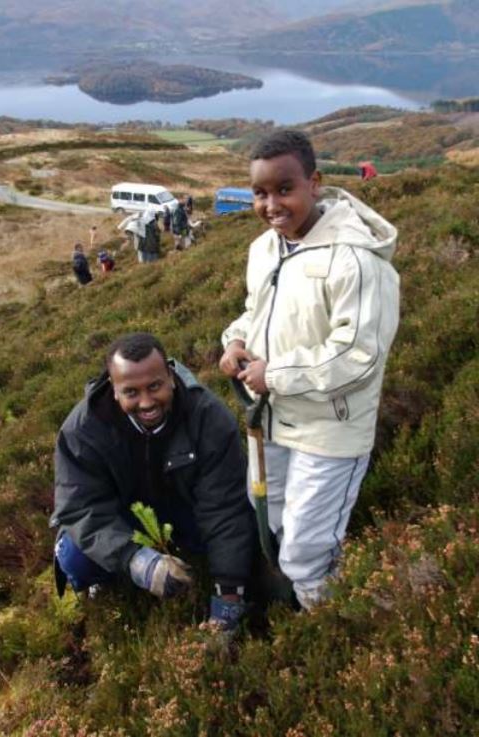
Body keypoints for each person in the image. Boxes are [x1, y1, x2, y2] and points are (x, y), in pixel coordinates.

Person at [219, 130, 400, 610]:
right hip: (273, 421)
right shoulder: (265, 248)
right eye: (260, 193)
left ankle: (328, 630)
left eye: (284, 189)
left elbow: (358, 356)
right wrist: (235, 341)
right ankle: (288, 606)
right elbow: (257, 312)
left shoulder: (355, 259)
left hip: (330, 431)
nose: (271, 204)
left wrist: (274, 375)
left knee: (306, 550)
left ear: (314, 182)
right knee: (270, 518)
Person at [52, 332, 254, 633]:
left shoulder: (208, 417)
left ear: (171, 377)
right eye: (131, 392)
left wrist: (228, 598)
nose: (146, 402)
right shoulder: (83, 430)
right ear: (113, 388)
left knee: (249, 539)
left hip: (188, 516)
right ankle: (106, 585)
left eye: (155, 386)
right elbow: (80, 509)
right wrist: (136, 561)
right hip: (126, 523)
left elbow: (224, 509)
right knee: (74, 556)